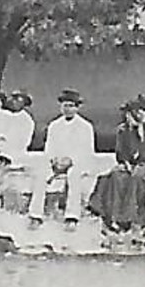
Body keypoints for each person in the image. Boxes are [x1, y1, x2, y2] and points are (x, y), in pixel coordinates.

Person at [88, 95, 145, 231]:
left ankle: (131, 218)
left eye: (142, 111)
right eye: (136, 111)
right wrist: (127, 163)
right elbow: (120, 152)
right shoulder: (123, 130)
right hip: (130, 164)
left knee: (136, 178)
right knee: (114, 176)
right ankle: (112, 216)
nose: (139, 114)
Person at [29, 89, 95, 229]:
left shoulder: (85, 127)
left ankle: (72, 217)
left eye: (71, 106)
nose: (68, 109)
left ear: (77, 108)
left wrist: (70, 161)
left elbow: (86, 151)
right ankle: (36, 215)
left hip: (77, 163)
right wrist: (54, 161)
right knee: (41, 175)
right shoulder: (54, 125)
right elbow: (49, 148)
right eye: (65, 105)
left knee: (73, 176)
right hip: (57, 163)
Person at [4, 91, 36, 164]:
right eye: (13, 99)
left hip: (16, 154)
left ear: (23, 104)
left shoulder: (26, 120)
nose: (14, 102)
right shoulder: (3, 114)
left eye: (18, 100)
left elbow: (23, 142)